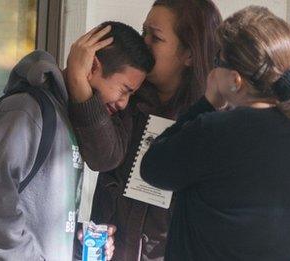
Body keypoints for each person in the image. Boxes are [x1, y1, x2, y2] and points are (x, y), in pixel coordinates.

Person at [140, 6, 290, 261]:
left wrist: (207, 103)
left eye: (217, 62)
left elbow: (153, 167)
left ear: (235, 80)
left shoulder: (213, 133)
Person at [0, 21, 154, 261]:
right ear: (93, 66)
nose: (124, 103)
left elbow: (37, 210)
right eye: (124, 89)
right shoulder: (27, 111)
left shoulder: (67, 119)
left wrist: (75, 238)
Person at [67, 0, 222, 260]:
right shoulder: (126, 103)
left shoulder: (208, 124)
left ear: (190, 54)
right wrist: (78, 83)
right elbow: (103, 156)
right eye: (144, 32)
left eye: (156, 37)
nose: (144, 44)